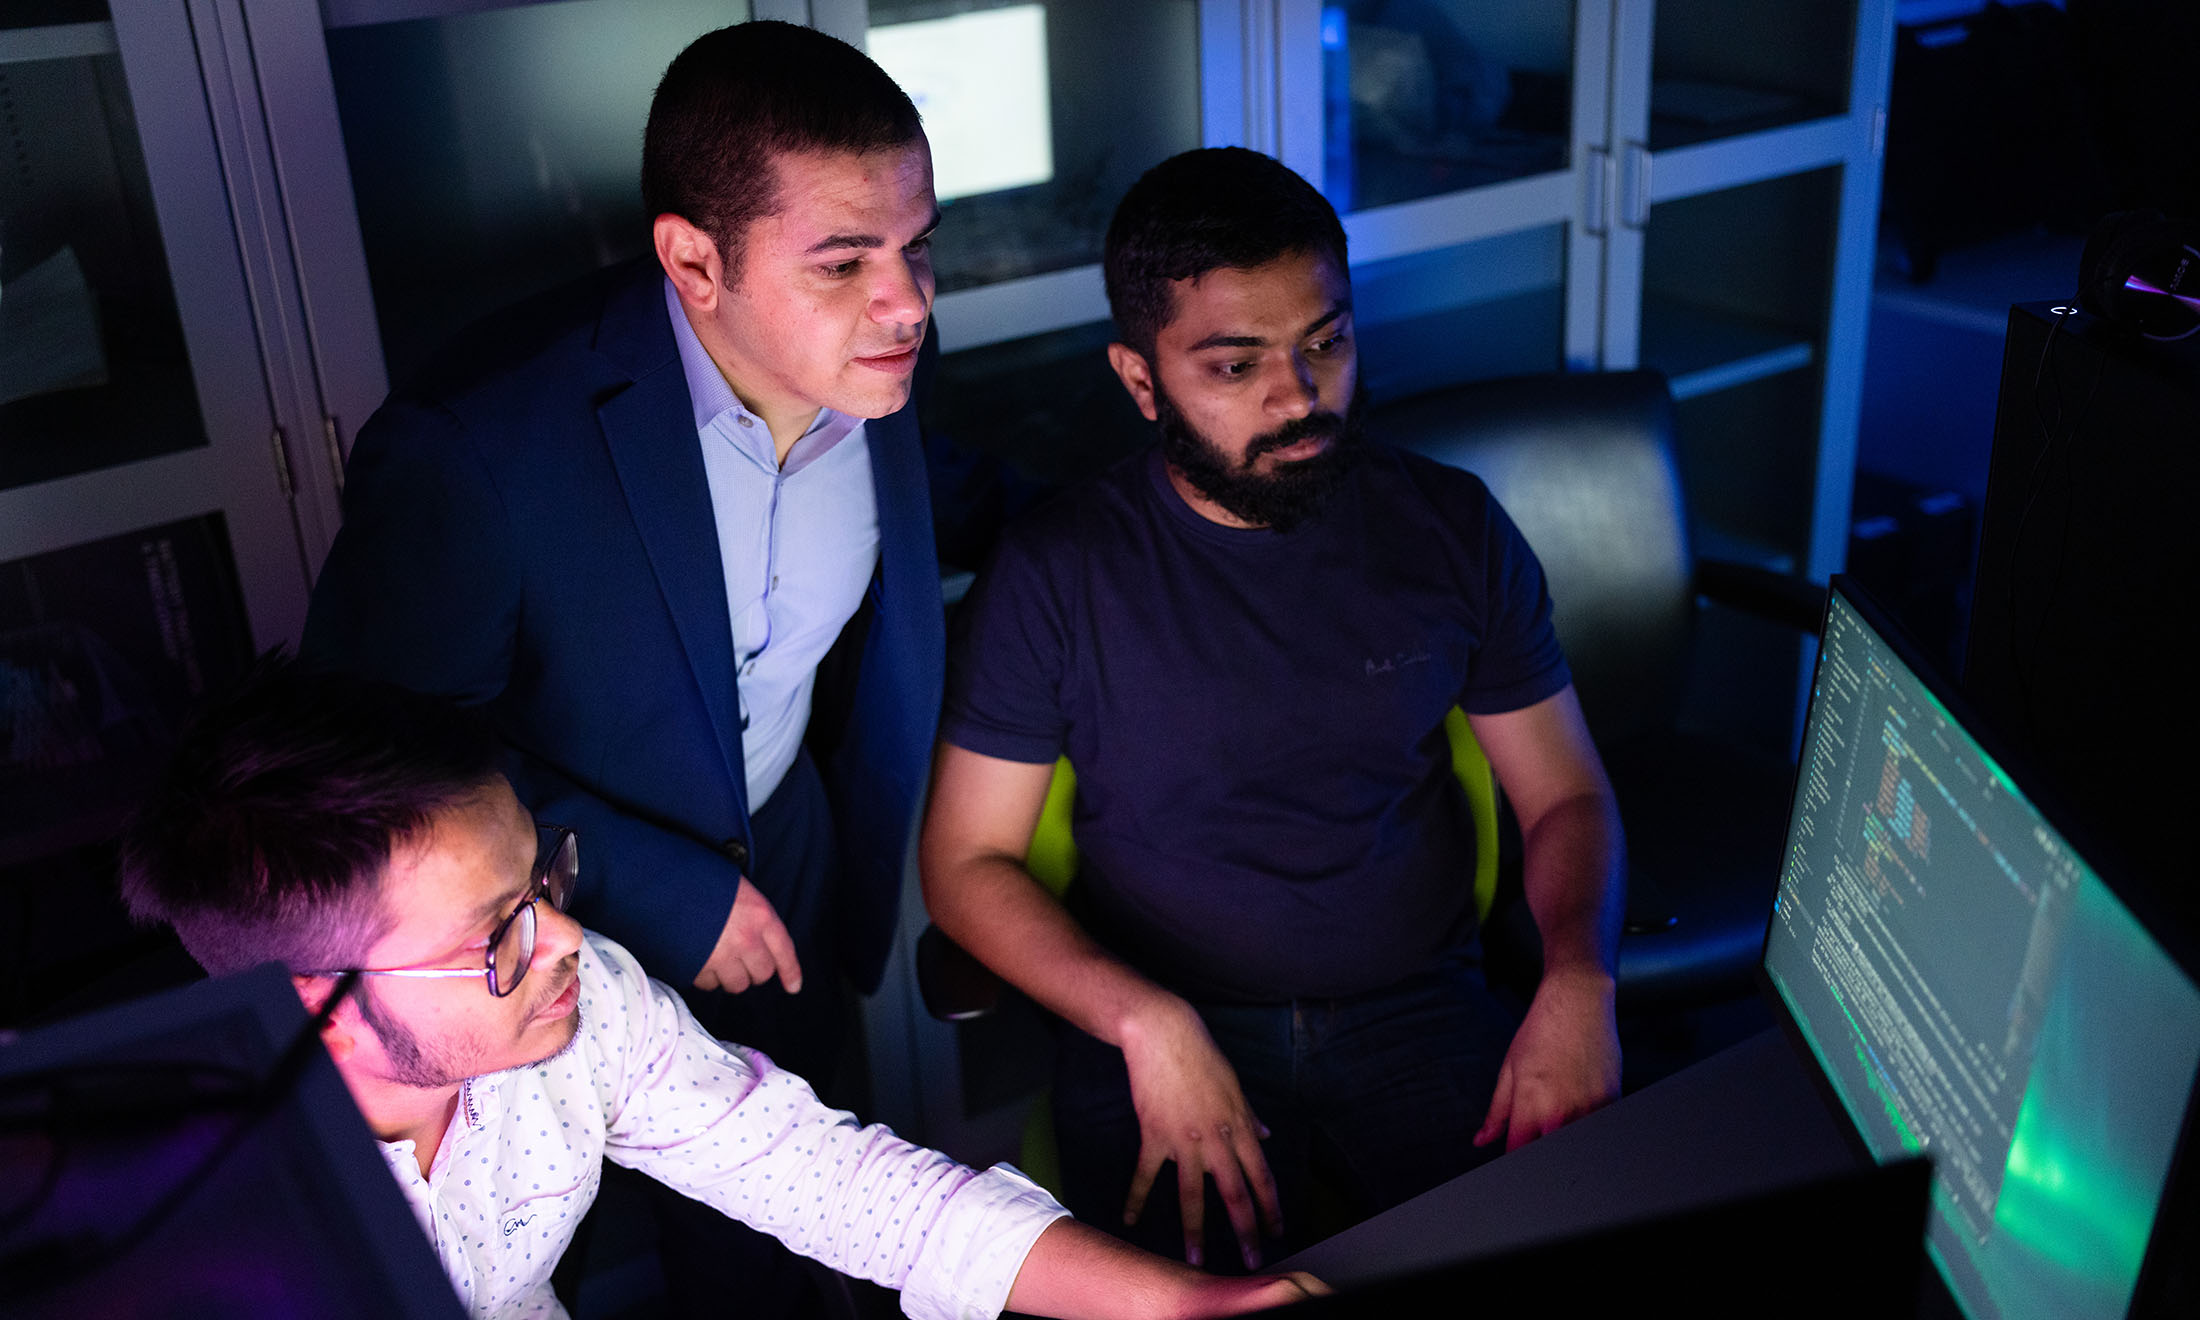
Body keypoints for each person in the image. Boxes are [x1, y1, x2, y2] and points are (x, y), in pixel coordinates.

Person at [300, 22, 946, 1310]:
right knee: (536, 1272)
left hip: (797, 871)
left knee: (795, 1238)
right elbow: (362, 756)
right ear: (693, 260)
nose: (911, 301)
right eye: (845, 261)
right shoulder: (474, 446)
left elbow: (937, 524)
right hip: (527, 934)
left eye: (918, 247)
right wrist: (661, 888)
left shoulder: (873, 362)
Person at [115, 657, 1322, 1320]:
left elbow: (835, 1182)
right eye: (500, 934)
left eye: (545, 877)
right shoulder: (177, 1218)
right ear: (314, 996)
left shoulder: (580, 1011)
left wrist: (1185, 1310)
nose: (572, 941)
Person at [920, 147, 1627, 1273]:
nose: (1298, 398)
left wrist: (1578, 973)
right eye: (1234, 365)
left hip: (1418, 1008)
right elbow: (963, 864)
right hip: (1168, 1018)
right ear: (1141, 380)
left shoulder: (1448, 527)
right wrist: (1144, 1022)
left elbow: (1564, 795)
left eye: (1325, 343)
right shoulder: (1057, 571)